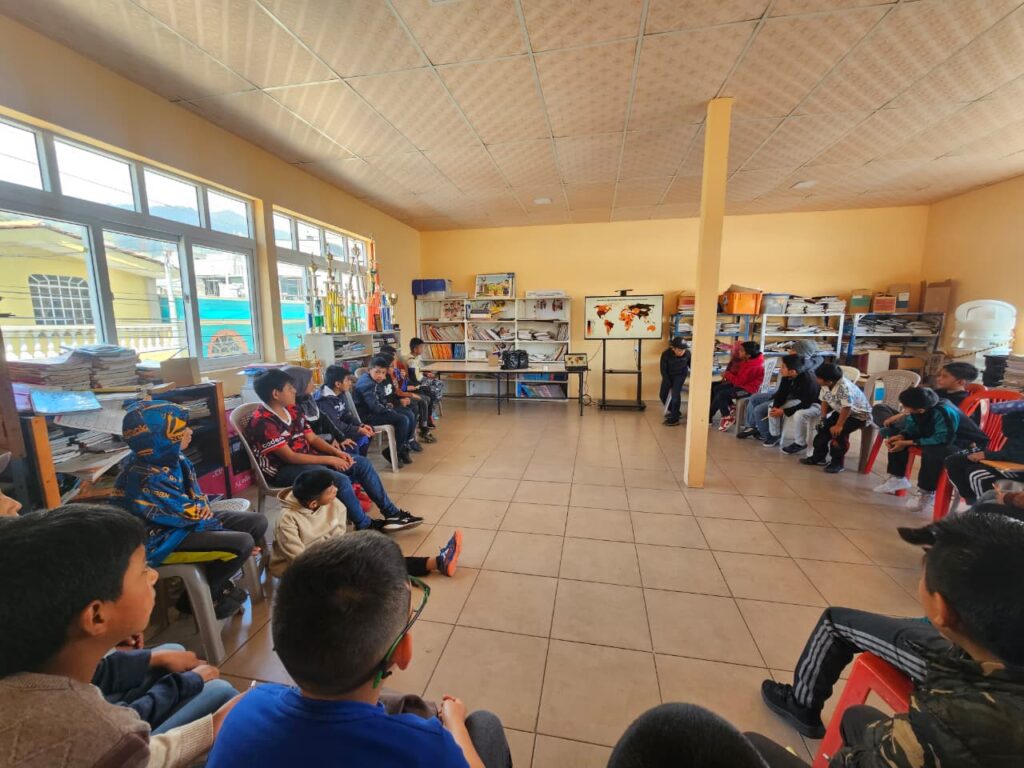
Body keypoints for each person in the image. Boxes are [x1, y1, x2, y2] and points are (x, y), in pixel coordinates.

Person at [207, 532, 512, 768]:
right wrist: (455, 723)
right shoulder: (426, 746)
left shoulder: (243, 709)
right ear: (402, 652)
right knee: (485, 724)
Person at [753, 512, 1024, 766]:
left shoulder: (946, 724)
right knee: (856, 717)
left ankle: (801, 704)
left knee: (749, 744)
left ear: (942, 611)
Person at [0, 504, 245, 767]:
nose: (153, 576)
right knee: (222, 693)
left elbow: (98, 674)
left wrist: (152, 658)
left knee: (170, 652)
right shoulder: (98, 730)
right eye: (142, 570)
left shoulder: (28, 663)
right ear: (96, 617)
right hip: (119, 742)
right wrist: (213, 724)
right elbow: (124, 738)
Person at [113, 400, 268, 619]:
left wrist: (205, 511)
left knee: (257, 522)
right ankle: (196, 597)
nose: (190, 431)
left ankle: (215, 583)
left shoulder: (174, 457)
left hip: (187, 522)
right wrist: (225, 533)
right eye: (182, 429)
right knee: (241, 543)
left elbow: (195, 500)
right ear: (161, 437)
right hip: (161, 539)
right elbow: (181, 517)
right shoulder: (144, 476)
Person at [245, 368, 421, 532]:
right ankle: (365, 525)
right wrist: (330, 459)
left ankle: (392, 513)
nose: (294, 391)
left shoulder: (292, 410)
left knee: (361, 463)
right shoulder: (262, 421)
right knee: (339, 480)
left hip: (306, 458)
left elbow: (312, 438)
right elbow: (290, 457)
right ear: (276, 394)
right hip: (282, 470)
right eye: (290, 388)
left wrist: (338, 453)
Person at [268, 468, 462, 579]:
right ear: (313, 503)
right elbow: (299, 560)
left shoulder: (333, 503)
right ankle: (435, 563)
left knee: (374, 551)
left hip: (326, 555)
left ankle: (435, 562)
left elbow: (338, 536)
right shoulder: (287, 520)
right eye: (330, 490)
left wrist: (342, 552)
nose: (336, 490)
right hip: (299, 568)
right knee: (367, 567)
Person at [872, 387, 984, 510]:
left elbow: (943, 439)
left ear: (921, 410)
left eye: (905, 407)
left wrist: (907, 442)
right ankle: (898, 477)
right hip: (937, 436)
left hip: (965, 444)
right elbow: (913, 426)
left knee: (932, 450)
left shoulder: (944, 411)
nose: (903, 409)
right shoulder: (921, 407)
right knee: (893, 436)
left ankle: (927, 492)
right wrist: (902, 436)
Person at [94, 640, 238, 734]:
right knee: (221, 691)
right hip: (116, 747)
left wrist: (158, 658)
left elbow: (97, 674)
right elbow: (123, 723)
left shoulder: (80, 670)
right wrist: (183, 683)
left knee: (173, 650)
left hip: (110, 720)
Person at [944, 400, 1024, 505]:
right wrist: (1012, 412)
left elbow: (1017, 455)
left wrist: (986, 455)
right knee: (954, 461)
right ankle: (971, 501)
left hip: (1018, 467)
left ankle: (982, 509)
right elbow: (1010, 432)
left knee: (976, 474)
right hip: (1006, 459)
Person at [800, 363, 871, 474]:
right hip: (840, 412)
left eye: (818, 378)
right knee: (822, 429)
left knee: (838, 433)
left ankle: (837, 463)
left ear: (829, 381)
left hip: (858, 416)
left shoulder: (844, 387)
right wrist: (823, 419)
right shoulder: (825, 384)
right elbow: (824, 400)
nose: (816, 379)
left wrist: (839, 425)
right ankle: (819, 457)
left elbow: (847, 408)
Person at [872, 361, 979, 428]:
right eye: (939, 375)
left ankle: (893, 429)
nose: (939, 378)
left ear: (960, 382)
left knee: (908, 420)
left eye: (944, 376)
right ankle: (894, 428)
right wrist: (903, 414)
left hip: (928, 425)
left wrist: (902, 415)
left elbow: (930, 416)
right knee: (880, 407)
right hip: (913, 417)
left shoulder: (962, 400)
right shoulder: (937, 392)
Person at [354, 355, 415, 466]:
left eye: (383, 373)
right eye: (377, 372)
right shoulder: (367, 384)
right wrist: (389, 409)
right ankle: (392, 452)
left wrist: (387, 406)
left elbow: (381, 399)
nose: (380, 376)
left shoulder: (375, 380)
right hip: (367, 416)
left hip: (376, 411)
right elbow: (375, 407)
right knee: (402, 420)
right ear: (369, 370)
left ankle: (402, 448)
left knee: (409, 414)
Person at [753, 353, 820, 450]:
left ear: (792, 372)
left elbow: (806, 403)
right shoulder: (787, 376)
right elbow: (781, 393)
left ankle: (795, 441)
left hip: (812, 403)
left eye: (783, 367)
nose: (780, 369)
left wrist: (784, 411)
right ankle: (775, 435)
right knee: (772, 407)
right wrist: (776, 406)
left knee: (787, 411)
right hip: (796, 399)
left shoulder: (808, 380)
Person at [314, 364, 375, 457]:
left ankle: (361, 459)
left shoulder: (341, 393)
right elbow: (334, 424)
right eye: (347, 380)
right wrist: (357, 429)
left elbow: (346, 415)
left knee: (368, 430)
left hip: (341, 429)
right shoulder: (323, 400)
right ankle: (357, 462)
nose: (350, 383)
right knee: (353, 444)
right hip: (331, 434)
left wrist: (360, 425)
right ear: (338, 384)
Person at [709, 341, 765, 430]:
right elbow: (739, 377)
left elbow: (739, 381)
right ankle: (730, 407)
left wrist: (727, 375)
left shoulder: (753, 366)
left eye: (741, 351)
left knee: (722, 394)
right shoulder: (748, 360)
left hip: (748, 390)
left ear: (748, 355)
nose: (739, 352)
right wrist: (728, 374)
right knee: (717, 388)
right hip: (742, 385)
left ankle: (727, 417)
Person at [379, 346, 425, 452]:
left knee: (415, 406)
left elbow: (400, 388)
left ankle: (410, 438)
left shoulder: (395, 370)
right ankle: (404, 444)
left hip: (397, 398)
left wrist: (403, 378)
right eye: (392, 364)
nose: (395, 362)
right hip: (390, 404)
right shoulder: (384, 376)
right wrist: (406, 396)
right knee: (408, 413)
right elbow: (396, 392)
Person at [409, 337, 444, 422]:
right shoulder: (411, 361)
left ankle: (431, 409)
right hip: (418, 381)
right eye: (421, 347)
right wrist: (419, 385)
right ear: (415, 349)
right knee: (434, 390)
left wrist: (426, 373)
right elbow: (412, 376)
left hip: (422, 378)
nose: (423, 349)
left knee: (439, 383)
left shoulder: (417, 357)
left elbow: (417, 371)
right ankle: (430, 412)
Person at [660, 337, 690, 427]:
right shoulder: (665, 354)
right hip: (668, 375)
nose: (682, 352)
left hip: (680, 375)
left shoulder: (688, 354)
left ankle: (675, 419)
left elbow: (692, 366)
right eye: (679, 350)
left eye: (683, 350)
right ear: (673, 348)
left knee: (675, 395)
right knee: (662, 395)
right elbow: (663, 370)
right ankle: (675, 411)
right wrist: (667, 382)